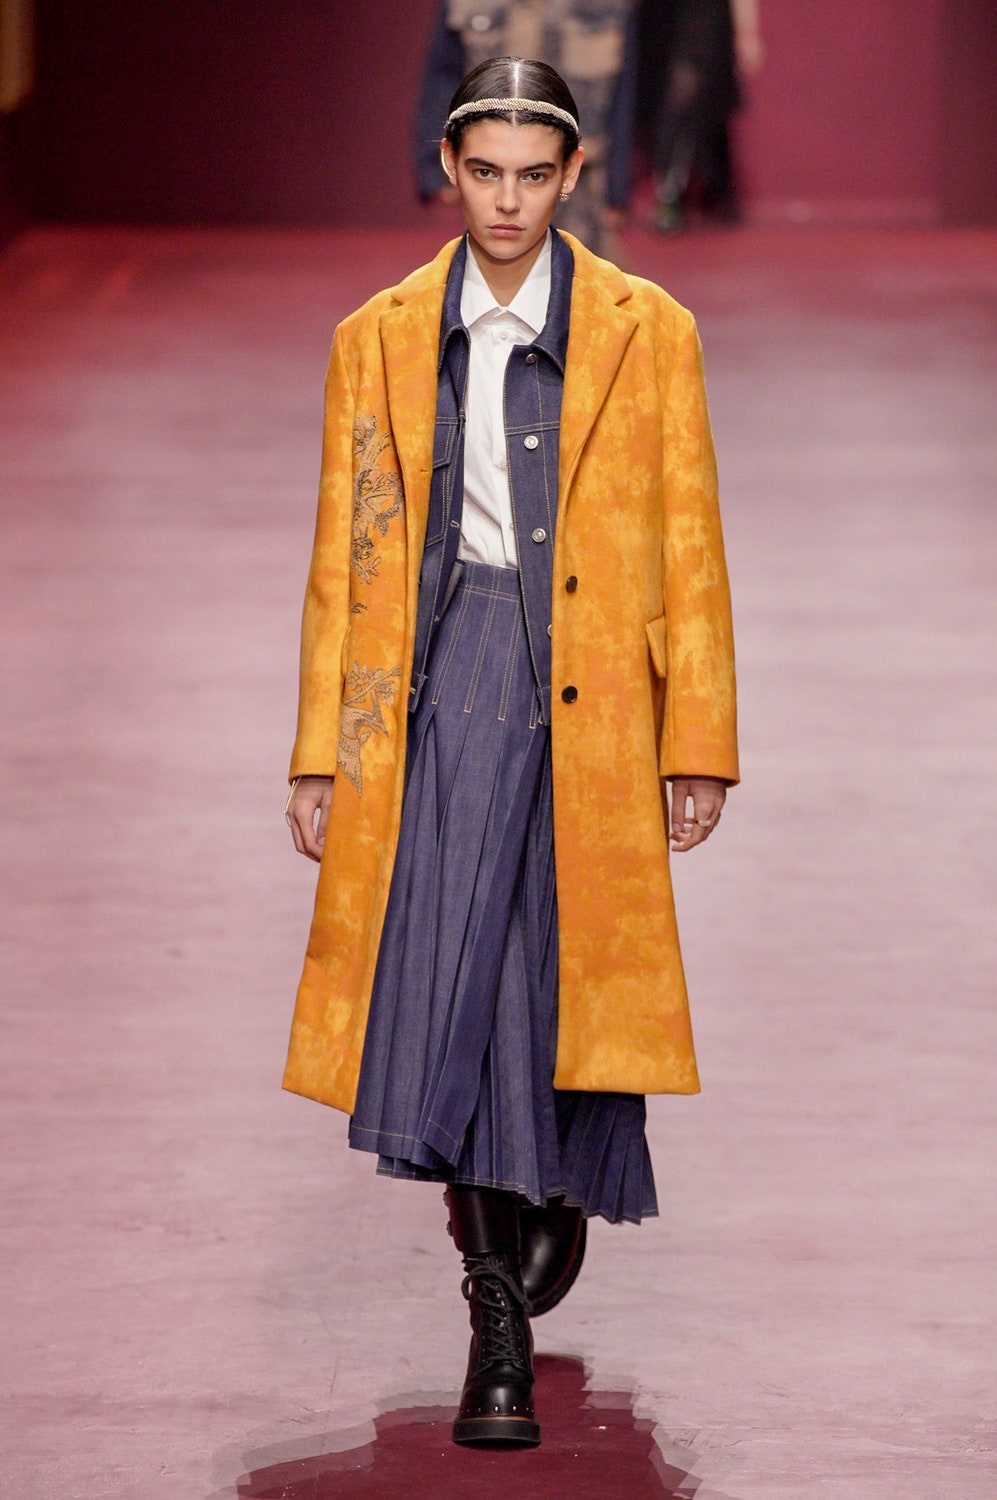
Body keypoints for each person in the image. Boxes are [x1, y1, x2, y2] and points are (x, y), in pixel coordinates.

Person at [284, 54, 738, 1449]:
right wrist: (321, 750)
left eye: (533, 176)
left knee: (550, 982)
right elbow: (345, 556)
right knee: (449, 984)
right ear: (449, 165)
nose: (505, 202)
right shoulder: (377, 337)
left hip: (589, 692)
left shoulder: (648, 332)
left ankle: (548, 1185)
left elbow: (689, 540)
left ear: (573, 175)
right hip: (444, 686)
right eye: (483, 172)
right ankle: (493, 1323)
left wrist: (698, 737)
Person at [414, 1, 639, 255]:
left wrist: (617, 188)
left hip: (582, 176)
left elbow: (622, 95)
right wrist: (435, 165)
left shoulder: (608, 5)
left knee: (578, 264)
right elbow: (444, 76)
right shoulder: (467, 4)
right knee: (498, 253)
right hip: (489, 160)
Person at [639, 0, 764, 231]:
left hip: (705, 15)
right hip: (661, 16)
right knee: (668, 97)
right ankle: (680, 189)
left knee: (693, 94)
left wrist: (747, 31)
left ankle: (672, 190)